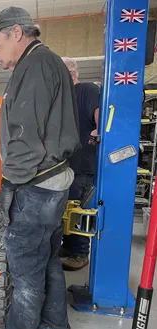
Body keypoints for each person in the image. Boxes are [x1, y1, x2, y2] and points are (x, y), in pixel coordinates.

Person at [0, 6, 80, 329]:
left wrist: (9, 185)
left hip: (34, 185)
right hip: (53, 181)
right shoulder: (48, 63)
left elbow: (23, 136)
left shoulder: (34, 66)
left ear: (16, 32)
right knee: (47, 260)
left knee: (25, 270)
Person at [61, 57, 100, 271]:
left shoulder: (86, 89)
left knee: (78, 207)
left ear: (72, 73)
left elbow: (99, 115)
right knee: (66, 208)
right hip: (66, 165)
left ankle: (80, 253)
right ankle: (68, 247)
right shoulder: (63, 98)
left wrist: (99, 129)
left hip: (83, 163)